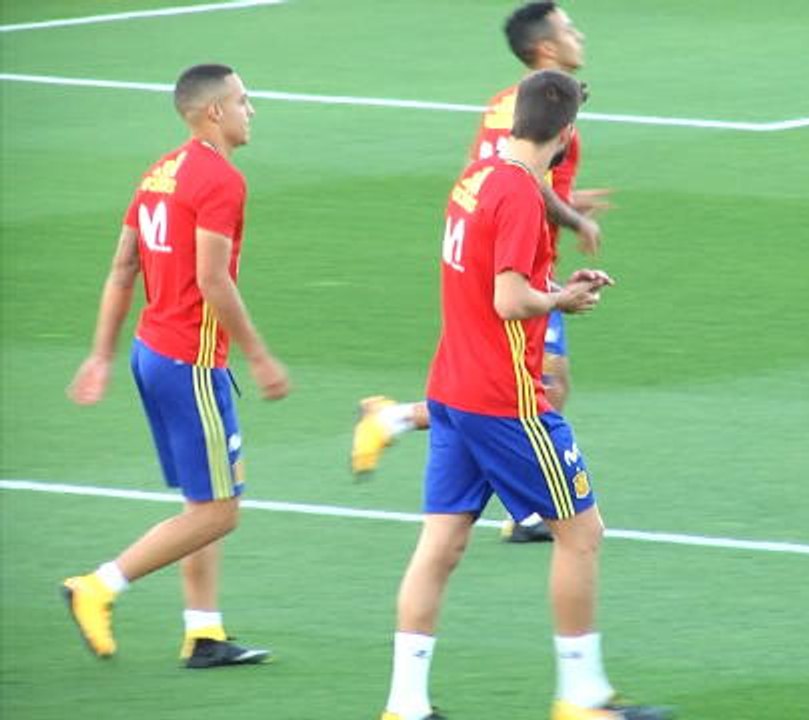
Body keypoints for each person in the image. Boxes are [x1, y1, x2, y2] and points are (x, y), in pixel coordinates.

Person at [378, 70, 670, 720]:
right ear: (566, 135)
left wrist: (557, 278)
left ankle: (405, 705)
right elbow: (509, 299)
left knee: (442, 544)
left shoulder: (477, 177)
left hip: (451, 387)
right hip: (503, 398)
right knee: (582, 533)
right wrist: (562, 298)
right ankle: (581, 696)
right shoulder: (517, 193)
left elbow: (495, 273)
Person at [352, 2, 611, 545]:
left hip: (489, 261)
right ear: (545, 49)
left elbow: (492, 177)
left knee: (516, 383)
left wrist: (569, 206)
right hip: (521, 271)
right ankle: (528, 502)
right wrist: (573, 218)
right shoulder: (559, 124)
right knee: (533, 384)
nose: (579, 35)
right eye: (568, 29)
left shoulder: (504, 108)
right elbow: (524, 186)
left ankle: (400, 424)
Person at [62, 63, 290, 669]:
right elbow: (213, 281)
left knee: (201, 501)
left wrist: (102, 354)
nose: (252, 110)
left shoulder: (159, 171)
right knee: (220, 511)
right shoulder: (220, 180)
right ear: (213, 112)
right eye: (244, 100)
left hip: (151, 352)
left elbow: (122, 268)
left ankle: (203, 633)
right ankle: (99, 586)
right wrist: (261, 355)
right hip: (189, 361)